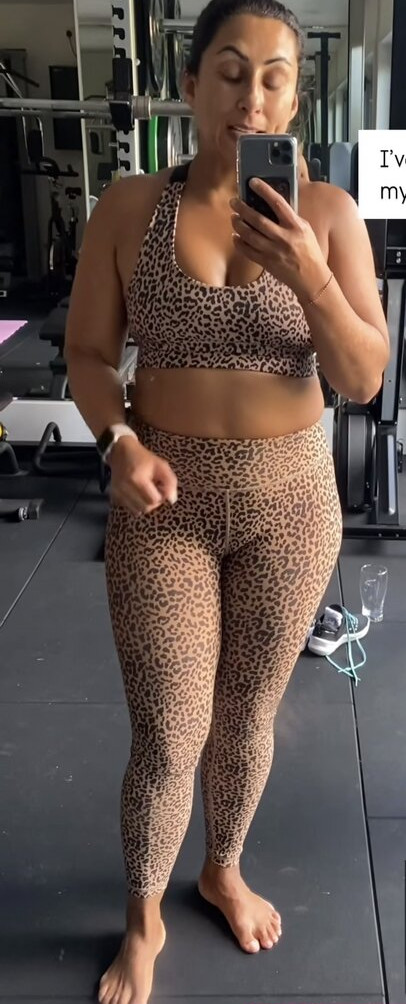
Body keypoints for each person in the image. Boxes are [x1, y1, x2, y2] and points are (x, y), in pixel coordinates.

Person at [65, 2, 390, 1002]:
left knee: (247, 713)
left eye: (275, 77)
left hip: (292, 507)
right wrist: (117, 442)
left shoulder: (327, 215)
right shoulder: (130, 207)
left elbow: (363, 376)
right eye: (231, 71)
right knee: (170, 730)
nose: (252, 96)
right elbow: (88, 355)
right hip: (164, 505)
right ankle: (143, 916)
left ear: (295, 98)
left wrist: (311, 277)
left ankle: (222, 868)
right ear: (190, 83)